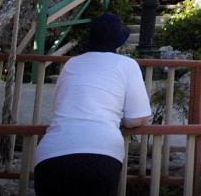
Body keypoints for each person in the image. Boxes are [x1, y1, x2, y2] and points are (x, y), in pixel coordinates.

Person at [33, 13, 151, 196]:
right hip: (100, 151)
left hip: (51, 152)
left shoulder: (72, 64)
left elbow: (59, 105)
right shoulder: (127, 65)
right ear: (118, 43)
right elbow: (136, 118)